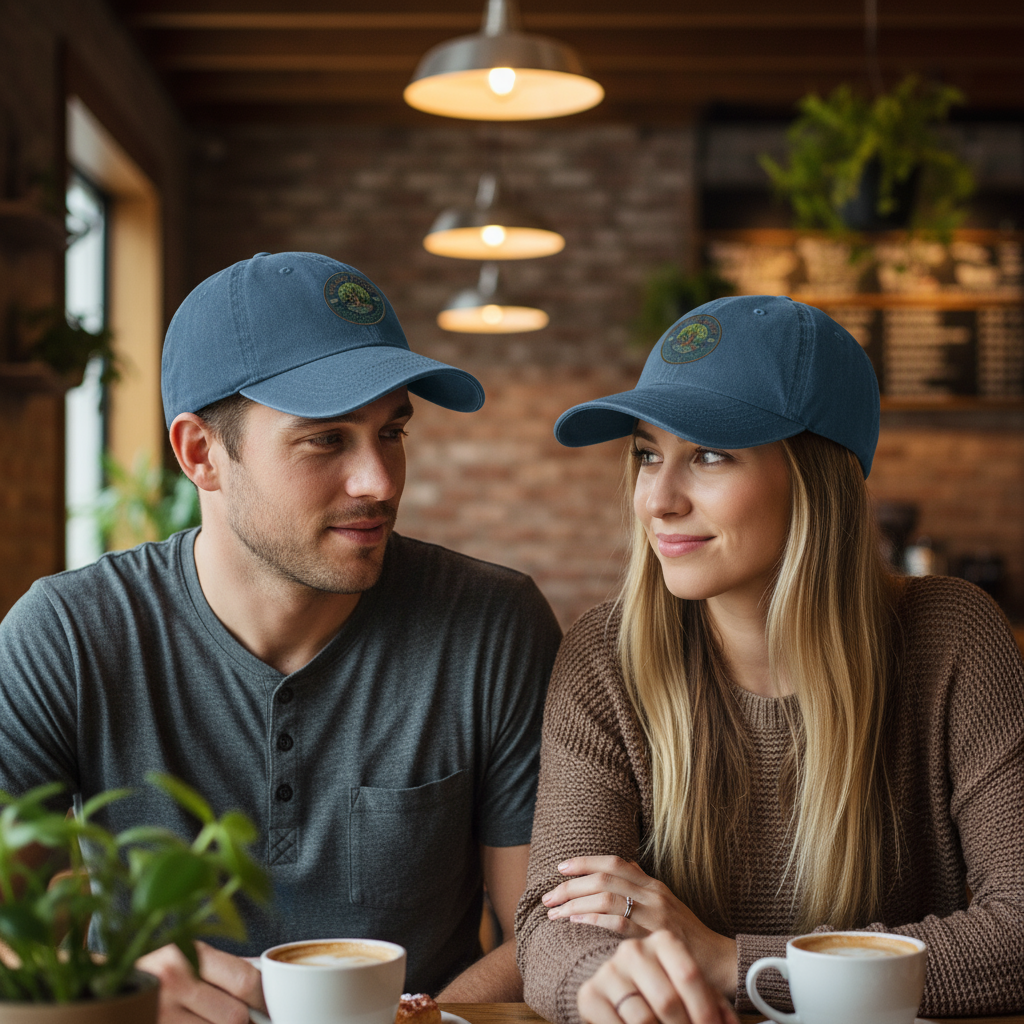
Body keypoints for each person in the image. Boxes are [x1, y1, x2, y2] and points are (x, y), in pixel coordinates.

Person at [0, 252, 562, 1022]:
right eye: (326, 440)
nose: (381, 482)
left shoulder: (493, 623)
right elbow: (10, 921)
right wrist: (110, 977)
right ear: (201, 453)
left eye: (391, 431)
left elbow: (543, 930)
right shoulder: (66, 636)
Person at [515, 295, 1024, 1024]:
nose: (657, 500)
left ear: (817, 478)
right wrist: (607, 984)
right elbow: (551, 921)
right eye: (648, 454)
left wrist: (733, 960)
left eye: (711, 455)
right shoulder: (606, 655)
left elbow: (1018, 932)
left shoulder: (953, 637)